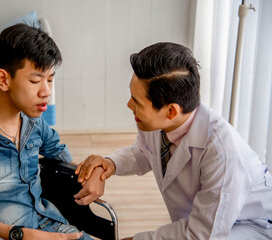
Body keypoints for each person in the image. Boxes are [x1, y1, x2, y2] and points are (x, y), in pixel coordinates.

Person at [74, 42, 272, 240]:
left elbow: (200, 236)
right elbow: (144, 152)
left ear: (171, 111)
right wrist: (110, 163)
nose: (129, 104)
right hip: (206, 222)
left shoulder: (223, 155)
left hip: (252, 227)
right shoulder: (159, 121)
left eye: (137, 101)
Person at [0, 23, 97, 240]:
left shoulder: (34, 122)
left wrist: (93, 172)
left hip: (48, 222)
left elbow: (60, 155)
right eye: (35, 81)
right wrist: (23, 235)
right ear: (4, 79)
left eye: (51, 80)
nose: (46, 92)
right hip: (3, 235)